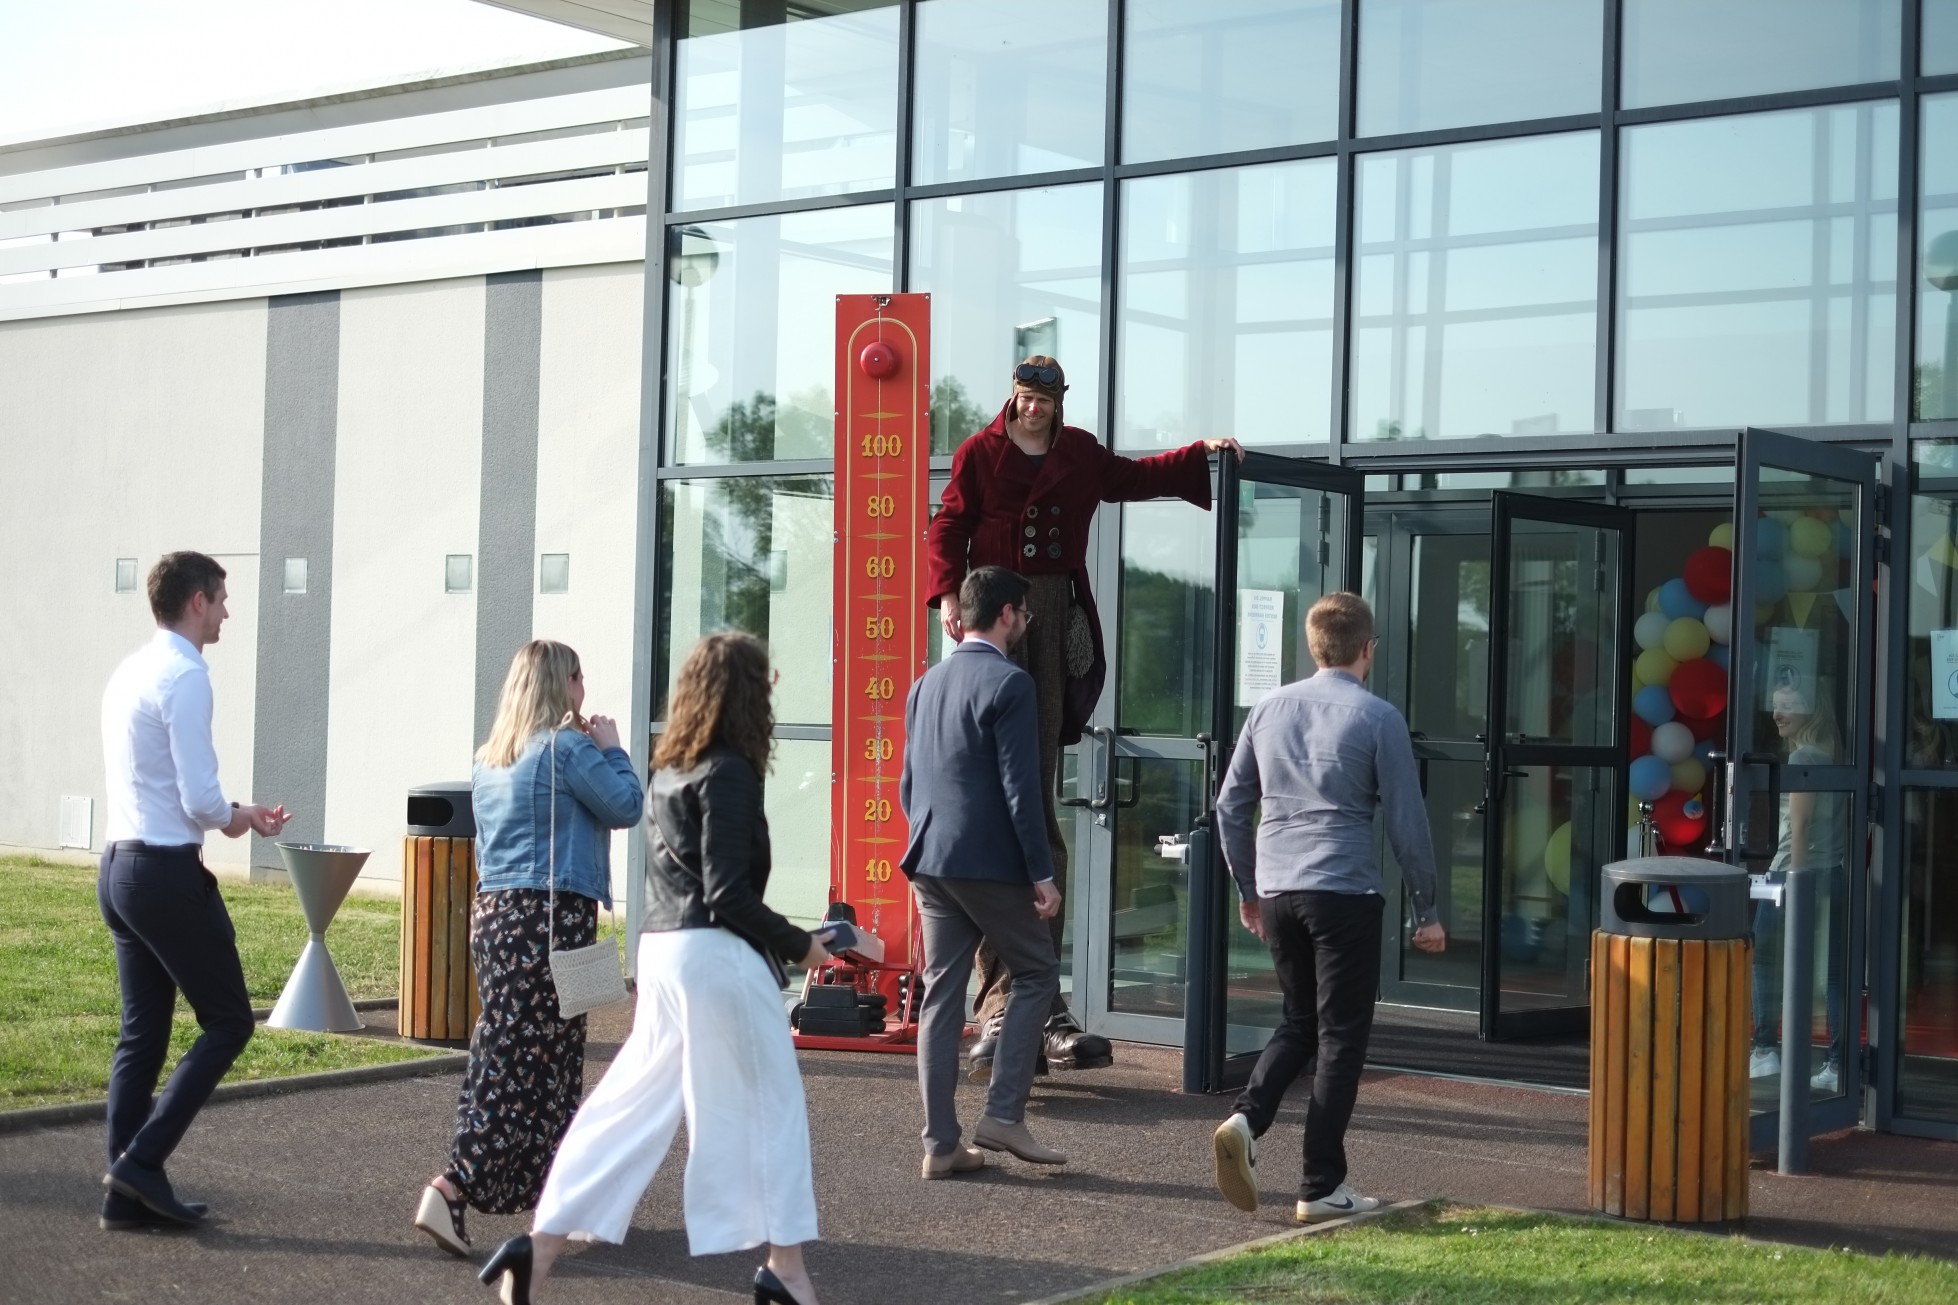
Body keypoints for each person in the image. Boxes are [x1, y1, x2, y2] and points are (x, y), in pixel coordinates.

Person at [480, 632, 831, 1305]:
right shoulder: (728, 771)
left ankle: (539, 1245)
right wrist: (800, 944)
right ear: (743, 695)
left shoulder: (670, 770)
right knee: (774, 1108)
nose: (773, 691)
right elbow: (728, 893)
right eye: (765, 680)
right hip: (715, 956)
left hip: (664, 951)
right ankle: (785, 1269)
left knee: (628, 1105)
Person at [926, 355, 1244, 1078]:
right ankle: (1013, 999)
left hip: (1051, 614)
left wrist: (1203, 456)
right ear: (1012, 397)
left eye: (1043, 399)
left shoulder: (1079, 452)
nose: (1033, 409)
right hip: (995, 609)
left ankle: (1028, 1000)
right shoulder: (981, 451)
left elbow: (1138, 477)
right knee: (1000, 803)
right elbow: (949, 524)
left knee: (1031, 798)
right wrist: (948, 596)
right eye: (1024, 397)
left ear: (1058, 402)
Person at [1207, 592, 1446, 1224]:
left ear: (1314, 647)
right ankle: (1319, 1184)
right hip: (1343, 893)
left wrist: (1249, 889)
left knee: (1298, 1023)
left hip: (1281, 890)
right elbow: (1406, 820)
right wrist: (1429, 908)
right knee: (1340, 1038)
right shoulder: (1378, 718)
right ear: (1368, 648)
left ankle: (1245, 1119)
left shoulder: (1268, 708)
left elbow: (1230, 806)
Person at [413, 640, 644, 1256]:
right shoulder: (567, 750)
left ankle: (557, 1200)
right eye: (578, 677)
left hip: (496, 919)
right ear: (559, 683)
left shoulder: (489, 758)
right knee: (524, 1064)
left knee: (531, 1056)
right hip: (551, 921)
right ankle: (454, 1186)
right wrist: (614, 747)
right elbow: (626, 805)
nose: (584, 688)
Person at [97, 551, 291, 1230]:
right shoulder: (185, 674)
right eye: (223, 598)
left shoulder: (129, 670)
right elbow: (199, 797)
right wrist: (237, 814)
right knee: (231, 1019)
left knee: (142, 1034)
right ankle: (141, 1163)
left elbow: (175, 792)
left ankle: (125, 1194)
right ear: (198, 601)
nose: (228, 612)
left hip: (119, 867)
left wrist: (238, 814)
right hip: (164, 873)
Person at [901, 566, 1068, 1179]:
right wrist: (1041, 873)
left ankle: (940, 1146)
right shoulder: (1012, 683)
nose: (1026, 622)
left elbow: (907, 784)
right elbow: (1022, 791)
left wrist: (927, 840)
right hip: (988, 861)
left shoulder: (926, 685)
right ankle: (1002, 1114)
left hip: (930, 860)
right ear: (1005, 614)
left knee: (942, 997)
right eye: (1024, 612)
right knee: (1036, 972)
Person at [1749, 679, 1848, 1093]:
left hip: (1794, 871)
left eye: (1788, 705)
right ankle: (1838, 1062)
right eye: (1775, 705)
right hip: (1833, 870)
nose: (1777, 714)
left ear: (1812, 710)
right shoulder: (1834, 754)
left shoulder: (1806, 757)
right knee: (1833, 973)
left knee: (1765, 961)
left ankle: (1764, 1049)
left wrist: (1796, 885)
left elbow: (1801, 829)